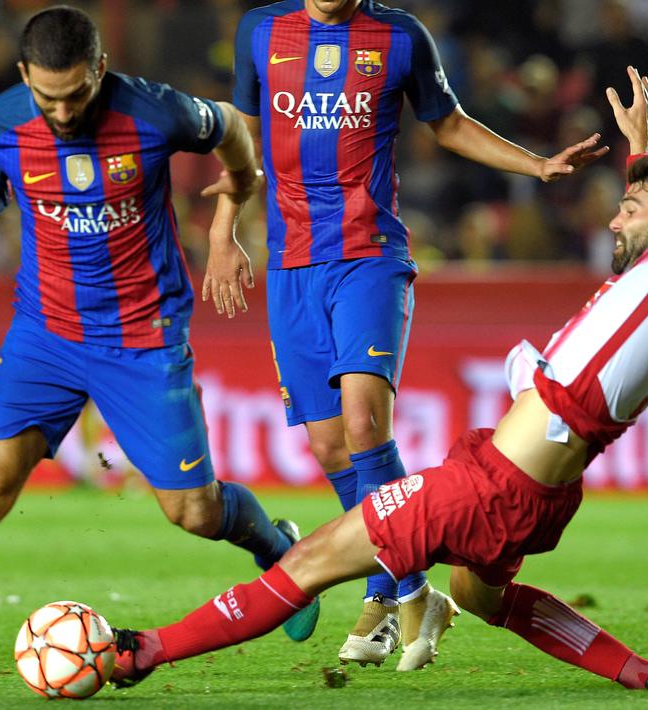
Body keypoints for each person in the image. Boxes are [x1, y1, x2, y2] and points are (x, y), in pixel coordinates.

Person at [108, 57, 648, 691]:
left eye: (628, 208)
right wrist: (641, 149)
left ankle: (143, 651)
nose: (614, 220)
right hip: (537, 498)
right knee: (479, 597)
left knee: (308, 563)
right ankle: (641, 674)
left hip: (485, 489)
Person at [0, 6, 307, 700]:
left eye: (74, 96)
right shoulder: (1, 124)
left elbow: (234, 126)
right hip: (46, 336)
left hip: (142, 338)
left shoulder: (156, 113)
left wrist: (230, 217)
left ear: (99, 69)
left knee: (192, 512)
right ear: (22, 77)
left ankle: (274, 549)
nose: (61, 114)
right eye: (46, 97)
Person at [217, 0, 609, 670]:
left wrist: (535, 165)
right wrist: (225, 231)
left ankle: (400, 591)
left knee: (365, 426)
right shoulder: (261, 32)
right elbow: (242, 140)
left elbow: (448, 123)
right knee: (327, 443)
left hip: (368, 257)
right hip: (290, 267)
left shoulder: (398, 38)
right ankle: (401, 594)